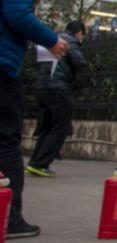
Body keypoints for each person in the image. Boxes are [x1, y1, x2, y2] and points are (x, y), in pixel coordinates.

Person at [0, 0, 68, 238]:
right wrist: (51, 39)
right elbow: (16, 13)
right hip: (1, 64)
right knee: (6, 142)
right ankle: (9, 219)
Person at [26, 20, 87, 178]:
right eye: (82, 35)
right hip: (59, 89)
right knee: (60, 127)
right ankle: (41, 164)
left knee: (46, 127)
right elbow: (80, 62)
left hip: (42, 88)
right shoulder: (69, 41)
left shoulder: (51, 40)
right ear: (79, 33)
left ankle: (34, 163)